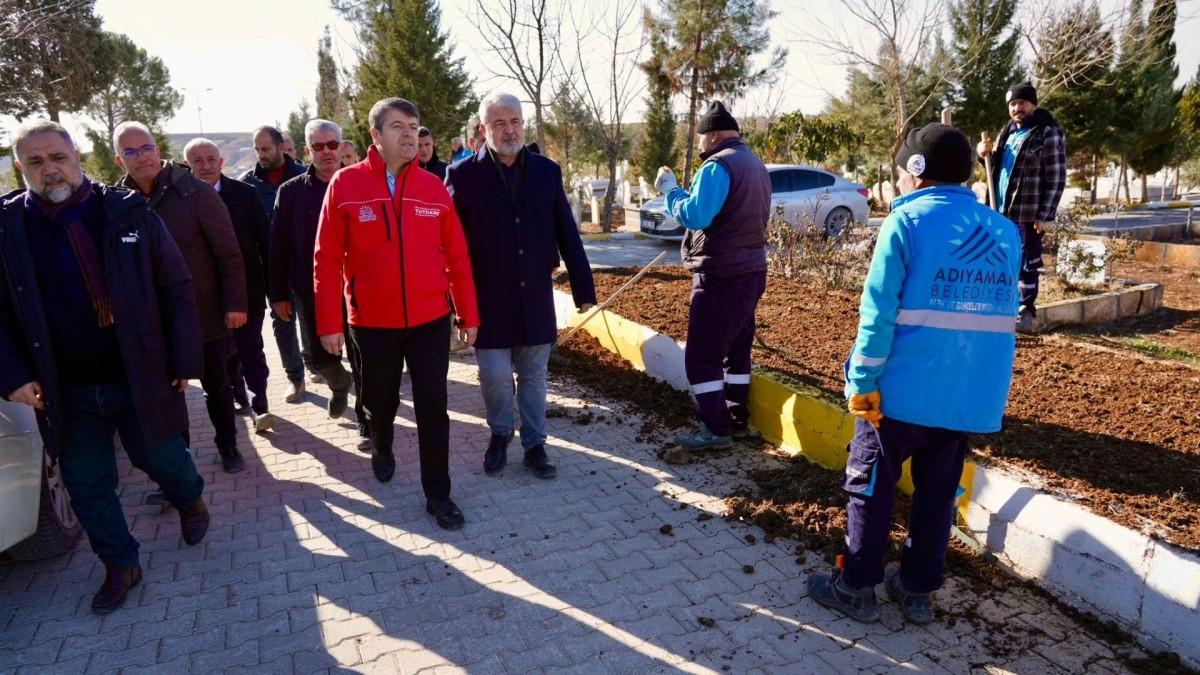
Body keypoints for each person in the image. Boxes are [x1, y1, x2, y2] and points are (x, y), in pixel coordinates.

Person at [808, 123, 1020, 626]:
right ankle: (918, 589)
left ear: (916, 172)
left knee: (870, 486)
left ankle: (857, 585)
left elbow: (877, 317)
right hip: (965, 400)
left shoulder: (905, 225)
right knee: (937, 494)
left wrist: (860, 385)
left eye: (902, 169)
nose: (899, 179)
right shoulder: (1003, 232)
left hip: (893, 398)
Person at [0, 120, 209, 613]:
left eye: (57, 157)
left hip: (137, 374)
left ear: (77, 155)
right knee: (86, 483)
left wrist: (183, 359)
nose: (49, 169)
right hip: (63, 388)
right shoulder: (8, 230)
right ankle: (121, 564)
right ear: (19, 168)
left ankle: (190, 499)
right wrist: (11, 375)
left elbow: (175, 287)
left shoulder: (126, 212)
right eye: (35, 162)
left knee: (162, 460)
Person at [314, 97, 479, 529]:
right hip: (371, 324)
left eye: (413, 125)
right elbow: (326, 259)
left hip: (428, 321)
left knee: (432, 407)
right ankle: (382, 443)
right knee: (379, 402)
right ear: (375, 136)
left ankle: (438, 494)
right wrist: (329, 323)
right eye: (397, 126)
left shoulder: (433, 188)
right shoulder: (346, 186)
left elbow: (457, 256)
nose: (408, 134)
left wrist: (467, 312)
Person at [447, 92, 596, 480]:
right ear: (483, 129)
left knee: (533, 376)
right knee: (494, 375)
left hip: (534, 297)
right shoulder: (462, 176)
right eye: (498, 123)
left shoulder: (547, 171)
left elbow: (567, 230)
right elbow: (450, 244)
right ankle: (499, 433)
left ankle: (535, 445)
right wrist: (454, 303)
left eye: (514, 121)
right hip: (487, 300)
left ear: (523, 124)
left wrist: (584, 290)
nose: (508, 129)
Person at [114, 121, 249, 473]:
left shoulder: (196, 192)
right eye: (130, 151)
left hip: (202, 313)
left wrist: (235, 303)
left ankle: (228, 446)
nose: (141, 156)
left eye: (146, 148)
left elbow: (229, 253)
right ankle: (180, 469)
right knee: (167, 398)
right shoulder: (118, 204)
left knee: (216, 386)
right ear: (119, 159)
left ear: (157, 149)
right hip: (152, 323)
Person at [653, 101, 769, 450]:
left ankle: (715, 429)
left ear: (713, 135)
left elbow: (697, 215)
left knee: (702, 355)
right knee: (737, 350)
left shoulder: (718, 166)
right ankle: (736, 418)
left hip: (720, 274)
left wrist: (670, 191)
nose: (700, 145)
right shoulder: (754, 163)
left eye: (701, 138)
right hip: (751, 270)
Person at [269, 119, 362, 438]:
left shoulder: (363, 184)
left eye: (332, 145)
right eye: (318, 147)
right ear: (307, 150)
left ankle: (367, 423)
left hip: (361, 289)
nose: (326, 152)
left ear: (342, 146)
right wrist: (279, 294)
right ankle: (339, 383)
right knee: (317, 358)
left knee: (363, 356)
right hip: (311, 291)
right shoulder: (291, 192)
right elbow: (278, 247)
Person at [184, 138, 276, 433]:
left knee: (251, 348)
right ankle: (239, 394)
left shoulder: (244, 194)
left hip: (247, 289)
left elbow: (266, 241)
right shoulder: (181, 200)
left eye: (211, 159)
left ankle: (259, 402)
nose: (206, 166)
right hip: (206, 298)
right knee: (225, 354)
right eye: (198, 161)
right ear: (188, 165)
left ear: (221, 162)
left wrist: (274, 289)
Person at [977, 81, 1066, 332]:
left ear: (1033, 104)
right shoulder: (1008, 132)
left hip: (1028, 213)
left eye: (1022, 103)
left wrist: (1046, 214)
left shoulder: (1047, 132)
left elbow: (1057, 176)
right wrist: (982, 153)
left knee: (1026, 262)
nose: (1017, 108)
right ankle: (1000, 307)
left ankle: (1025, 312)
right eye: (1013, 104)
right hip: (1001, 211)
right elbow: (996, 168)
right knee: (1000, 259)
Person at [239, 125, 310, 401]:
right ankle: (295, 376)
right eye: (257, 149)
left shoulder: (305, 176)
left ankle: (314, 361)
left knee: (309, 317)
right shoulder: (248, 184)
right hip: (272, 266)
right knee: (282, 320)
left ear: (282, 147)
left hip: (305, 264)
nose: (261, 154)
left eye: (266, 148)